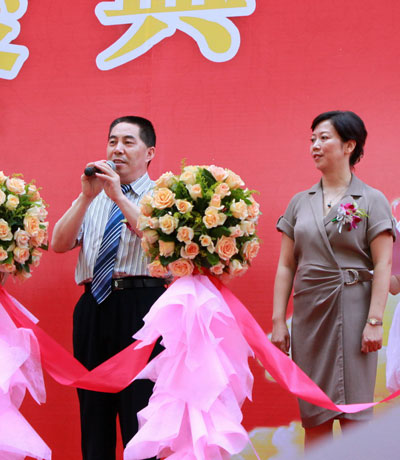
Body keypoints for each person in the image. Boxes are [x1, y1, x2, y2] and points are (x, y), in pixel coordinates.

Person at [271, 111, 394, 447]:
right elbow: (286, 266)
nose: (315, 145)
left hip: (355, 314)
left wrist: (374, 321)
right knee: (314, 417)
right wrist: (279, 321)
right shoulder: (299, 202)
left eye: (324, 138)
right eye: (312, 139)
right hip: (309, 317)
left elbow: (383, 263)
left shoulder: (372, 199)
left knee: (356, 419)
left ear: (349, 146)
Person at [51, 116, 166, 460]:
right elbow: (58, 243)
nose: (117, 149)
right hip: (93, 306)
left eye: (128, 142)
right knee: (93, 412)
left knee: (139, 410)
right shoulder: (93, 197)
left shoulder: (163, 196)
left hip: (143, 307)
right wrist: (85, 198)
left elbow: (158, 239)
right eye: (112, 141)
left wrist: (118, 196)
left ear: (149, 152)